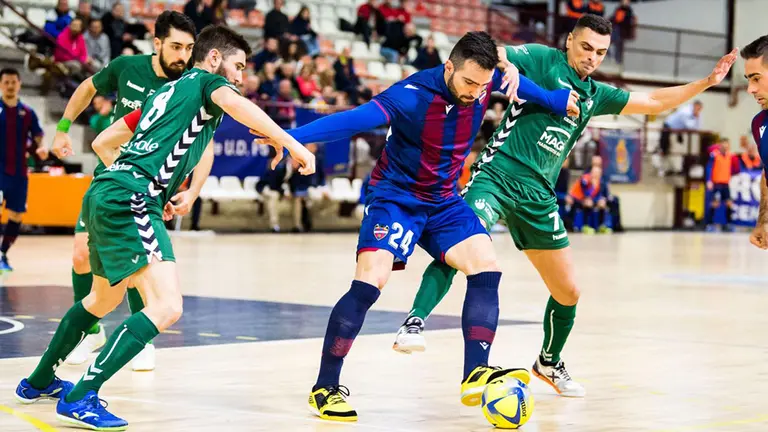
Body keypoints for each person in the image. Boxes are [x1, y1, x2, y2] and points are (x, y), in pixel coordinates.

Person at [394, 14, 737, 398]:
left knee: (568, 291)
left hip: (540, 196)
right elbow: (496, 51)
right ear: (570, 40)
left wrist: (706, 83)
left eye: (601, 52)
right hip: (497, 176)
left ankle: (548, 361)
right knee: (466, 245)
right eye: (586, 47)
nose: (592, 57)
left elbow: (654, 99)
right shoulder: (544, 60)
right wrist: (505, 64)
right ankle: (414, 321)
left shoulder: (596, 94)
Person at [254, 30, 578, 421]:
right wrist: (288, 137)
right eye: (468, 82)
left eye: (482, 85)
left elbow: (525, 89)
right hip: (397, 199)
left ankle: (475, 372)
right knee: (369, 283)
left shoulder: (486, 79)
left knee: (486, 266)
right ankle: (325, 387)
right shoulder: (410, 94)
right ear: (448, 68)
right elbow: (352, 120)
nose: (476, 92)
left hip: (443, 201)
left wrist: (557, 100)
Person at [14, 24, 315, 431]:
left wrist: (147, 184)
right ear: (214, 59)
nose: (242, 77)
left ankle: (39, 380)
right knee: (167, 305)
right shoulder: (208, 83)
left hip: (108, 191)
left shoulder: (163, 94)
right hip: (131, 197)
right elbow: (236, 103)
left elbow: (105, 141)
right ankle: (83, 394)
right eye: (239, 66)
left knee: (101, 300)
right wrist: (292, 142)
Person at [51, 11, 198, 371]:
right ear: (157, 43)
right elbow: (87, 88)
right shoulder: (127, 67)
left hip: (149, 187)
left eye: (189, 49)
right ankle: (92, 331)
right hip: (108, 180)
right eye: (176, 47)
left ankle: (140, 338)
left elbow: (202, 143)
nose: (182, 56)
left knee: (138, 265)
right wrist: (63, 127)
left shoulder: (190, 86)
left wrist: (190, 190)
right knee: (81, 256)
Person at [0, 68, 49, 271]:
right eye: (6, 82)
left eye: (14, 82)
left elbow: (38, 139)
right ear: (1, 85)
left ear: (19, 84)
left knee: (16, 216)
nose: (10, 86)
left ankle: (3, 254)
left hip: (19, 173)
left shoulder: (27, 113)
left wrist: (42, 149)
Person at [742, 35, 768, 251]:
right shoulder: (760, 123)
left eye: (756, 78)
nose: (750, 89)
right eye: (748, 80)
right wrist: (763, 221)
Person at [704, 138, 734, 232]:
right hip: (717, 183)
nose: (725, 148)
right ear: (720, 146)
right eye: (723, 146)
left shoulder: (730, 155)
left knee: (729, 203)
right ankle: (709, 224)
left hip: (726, 183)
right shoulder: (714, 155)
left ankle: (728, 224)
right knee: (715, 203)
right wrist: (709, 180)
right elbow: (709, 168)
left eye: (727, 146)